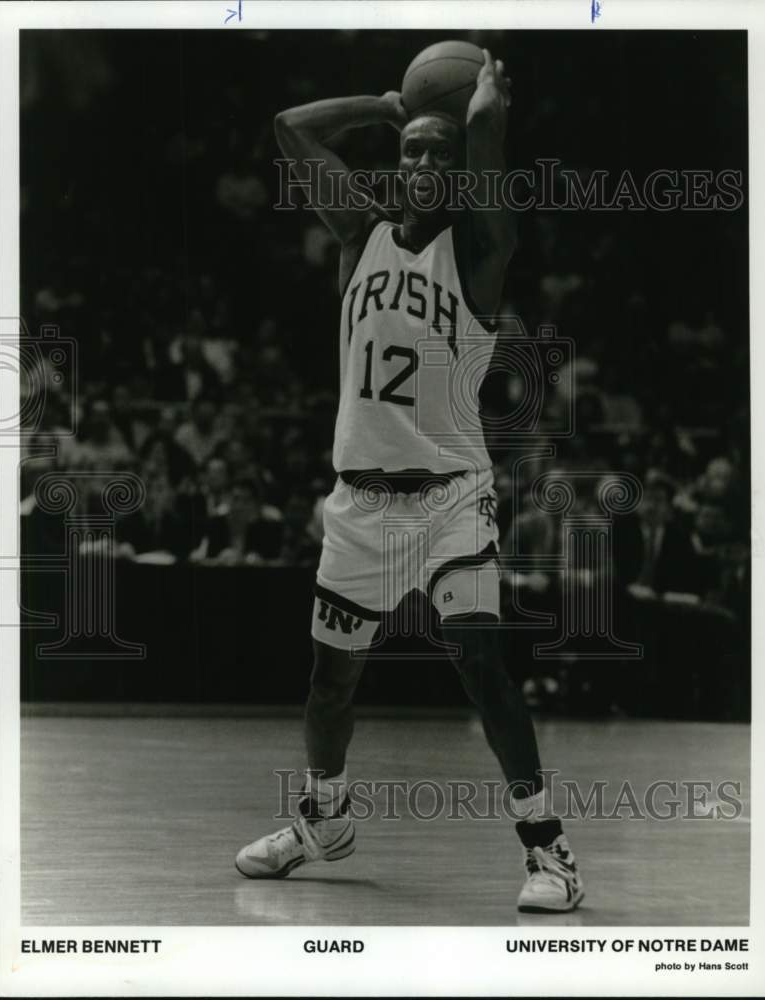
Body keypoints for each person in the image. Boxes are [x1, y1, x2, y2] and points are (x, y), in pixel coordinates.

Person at [236, 49, 584, 913]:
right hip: (358, 504)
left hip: (449, 497)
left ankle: (549, 853)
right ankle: (324, 819)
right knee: (329, 684)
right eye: (410, 153)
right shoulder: (360, 238)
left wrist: (482, 122)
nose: (422, 165)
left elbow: (491, 178)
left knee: (479, 663)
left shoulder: (479, 254)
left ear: (461, 169)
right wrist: (388, 103)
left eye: (440, 154)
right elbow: (291, 131)